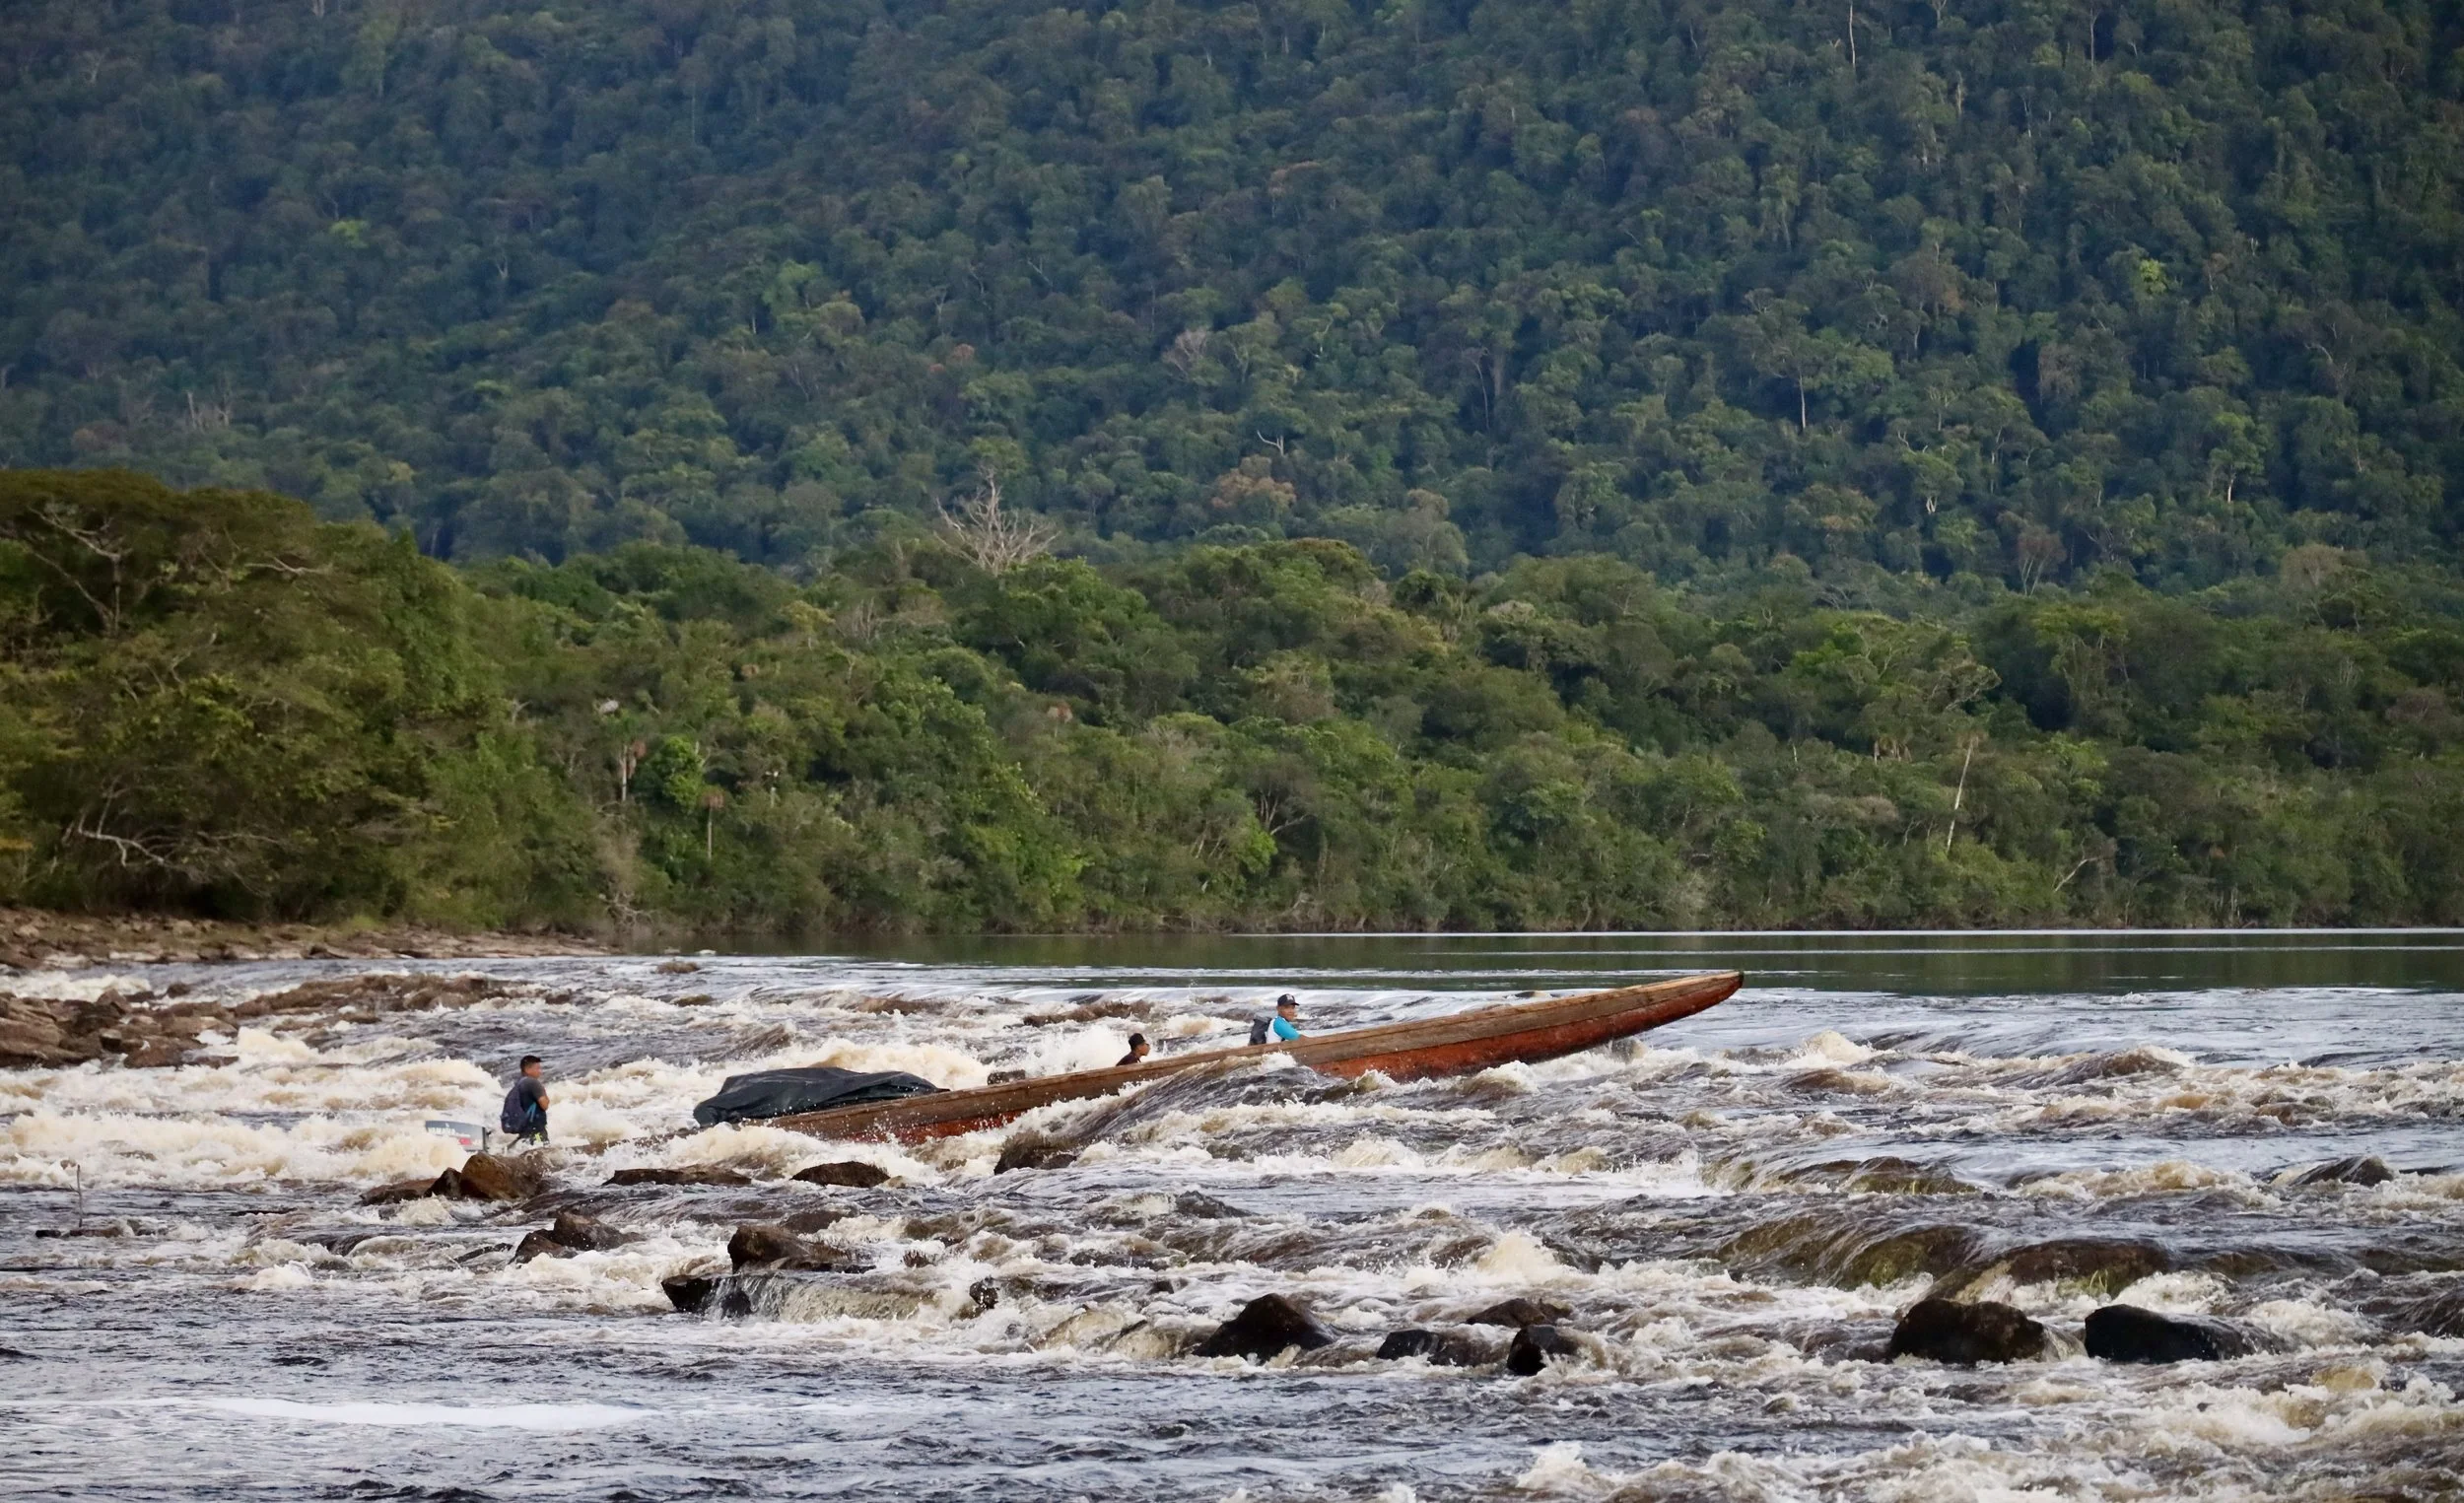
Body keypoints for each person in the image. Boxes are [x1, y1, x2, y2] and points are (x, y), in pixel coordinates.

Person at [500, 1056, 550, 1145]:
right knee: (543, 1150)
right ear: (527, 1069)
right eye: (537, 1068)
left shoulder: (518, 1085)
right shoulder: (533, 1083)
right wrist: (543, 1092)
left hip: (525, 1133)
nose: (540, 1072)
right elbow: (544, 1105)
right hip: (537, 1132)